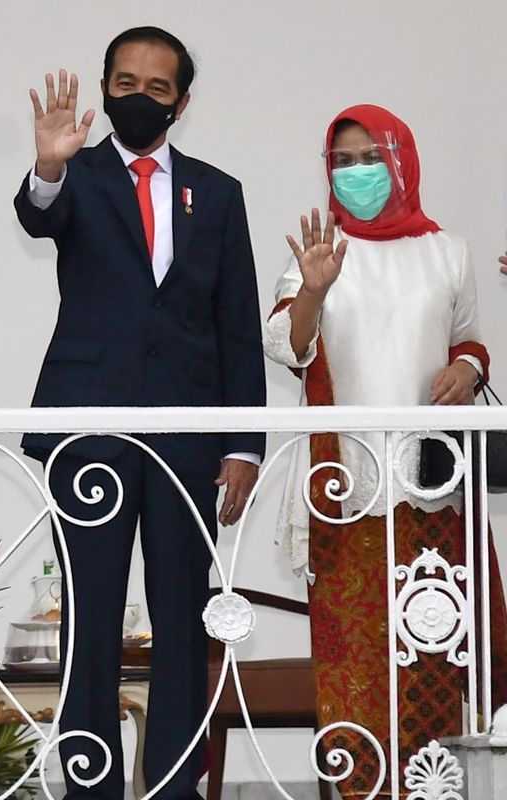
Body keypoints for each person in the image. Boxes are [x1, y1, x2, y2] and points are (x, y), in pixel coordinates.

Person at [14, 26, 266, 800]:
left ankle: (173, 783)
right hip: (88, 425)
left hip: (191, 434)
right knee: (87, 614)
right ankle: (91, 783)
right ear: (104, 89)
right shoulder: (76, 175)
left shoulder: (218, 192)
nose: (139, 98)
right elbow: (37, 216)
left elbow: (236, 323)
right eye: (124, 83)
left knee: (182, 617)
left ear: (181, 103)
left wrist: (244, 444)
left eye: (157, 88)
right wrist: (48, 165)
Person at [264, 103, 507, 796]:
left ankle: (432, 790)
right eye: (340, 160)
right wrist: (312, 292)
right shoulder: (320, 252)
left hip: (434, 488)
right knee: (356, 662)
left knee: (436, 657)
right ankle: (361, 790)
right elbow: (287, 344)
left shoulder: (446, 250)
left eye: (370, 156)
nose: (354, 172)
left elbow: (469, 342)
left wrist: (469, 370)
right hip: (348, 488)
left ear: (400, 160)